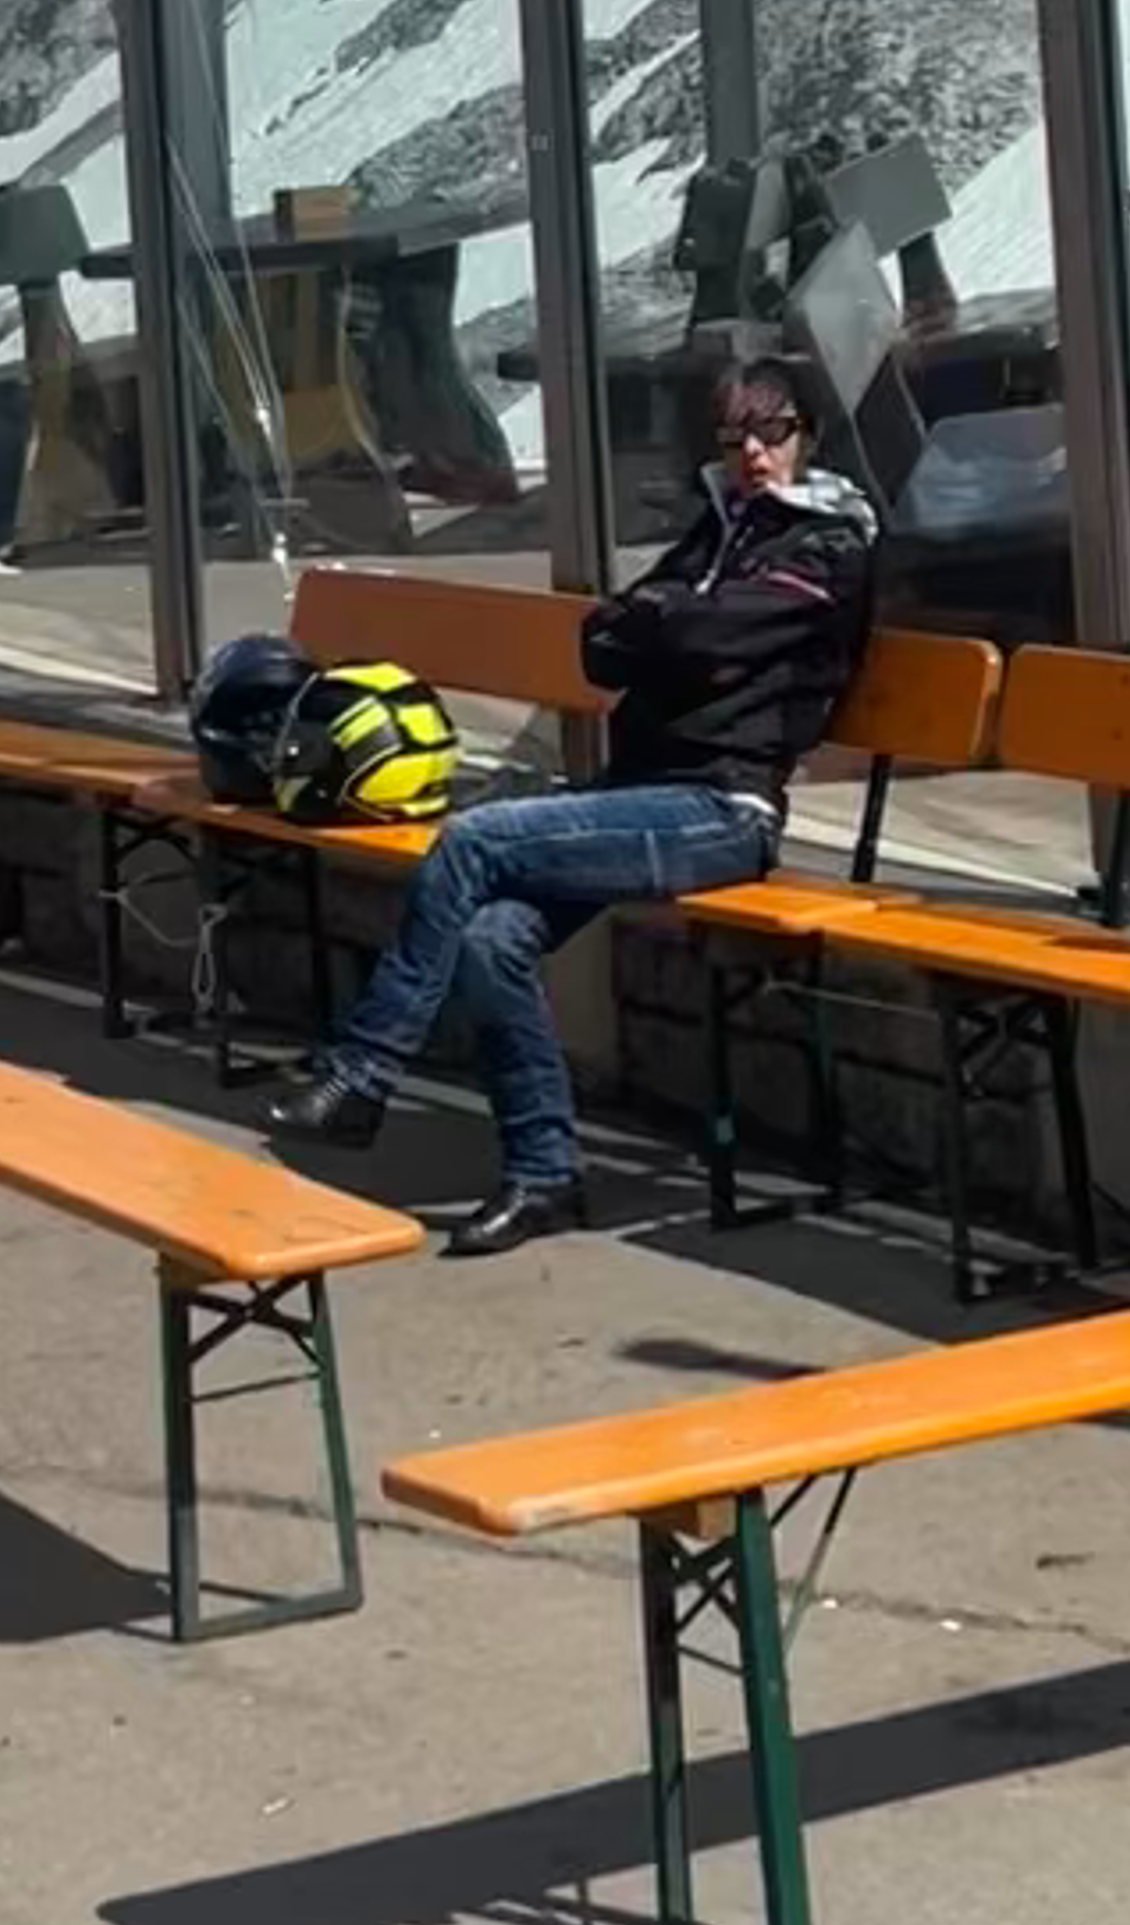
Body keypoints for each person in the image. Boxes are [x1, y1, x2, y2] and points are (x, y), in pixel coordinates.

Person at [261, 362, 877, 1255]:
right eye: (734, 437)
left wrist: (669, 621)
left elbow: (687, 629)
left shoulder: (833, 545)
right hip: (638, 797)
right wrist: (669, 622)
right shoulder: (723, 527)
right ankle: (546, 1175)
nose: (753, 453)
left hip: (721, 809)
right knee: (486, 941)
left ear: (806, 431)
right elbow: (605, 641)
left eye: (772, 432)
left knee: (469, 839)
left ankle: (364, 1071)